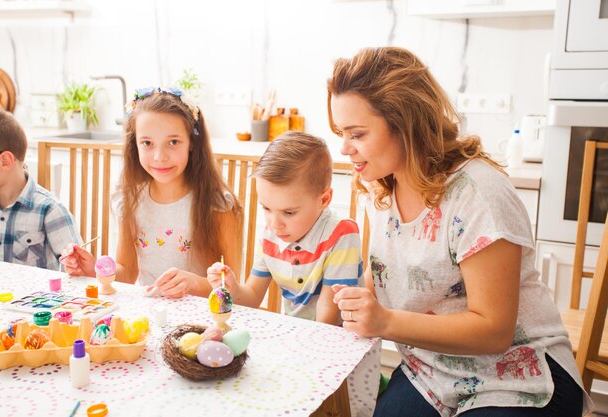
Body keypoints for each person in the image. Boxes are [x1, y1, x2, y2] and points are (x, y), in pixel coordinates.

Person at [328, 47, 590, 417]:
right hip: (431, 372)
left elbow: (494, 330)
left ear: (405, 122)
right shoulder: (381, 188)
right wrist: (355, 299)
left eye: (356, 133)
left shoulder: (479, 194)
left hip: (519, 376)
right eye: (341, 133)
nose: (344, 148)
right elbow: (391, 265)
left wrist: (385, 321)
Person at [62, 88, 242, 298]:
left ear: (192, 142)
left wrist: (192, 283)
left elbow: (233, 291)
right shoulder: (130, 201)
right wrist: (95, 270)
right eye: (147, 143)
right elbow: (127, 273)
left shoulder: (217, 205)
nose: (159, 157)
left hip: (202, 319)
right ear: (134, 144)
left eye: (173, 142)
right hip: (147, 316)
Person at [207, 131, 362, 324]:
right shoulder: (270, 237)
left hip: (338, 341)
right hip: (300, 335)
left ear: (324, 200)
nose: (274, 224)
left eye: (289, 213)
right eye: (267, 209)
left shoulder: (342, 234)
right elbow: (253, 296)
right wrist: (233, 289)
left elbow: (328, 311)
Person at [0, 105, 81, 270]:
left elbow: (78, 275)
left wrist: (74, 265)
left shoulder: (50, 211)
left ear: (5, 160)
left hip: (33, 296)